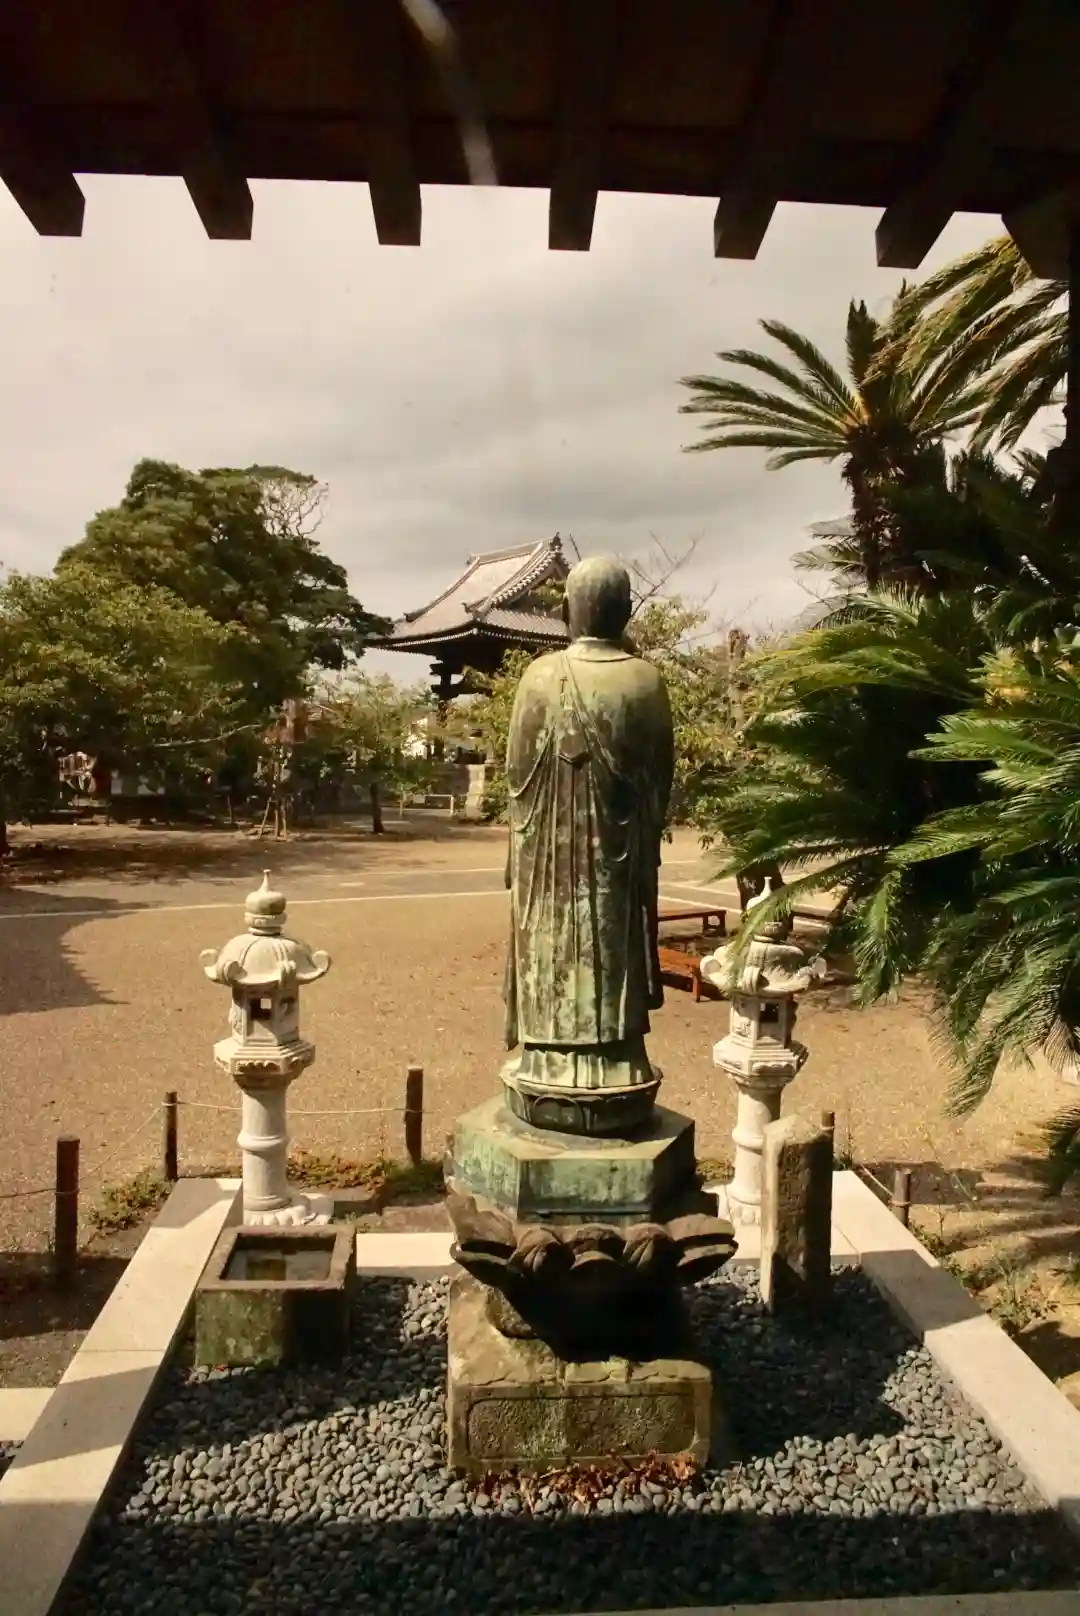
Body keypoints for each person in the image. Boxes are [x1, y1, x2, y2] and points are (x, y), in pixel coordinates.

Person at [501, 555, 675, 1134]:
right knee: (613, 943)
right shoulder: (646, 680)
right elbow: (660, 779)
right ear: (625, 610)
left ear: (569, 611)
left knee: (549, 951)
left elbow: (517, 778)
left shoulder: (538, 676)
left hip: (547, 861)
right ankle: (616, 1056)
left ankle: (546, 1058)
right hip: (617, 856)